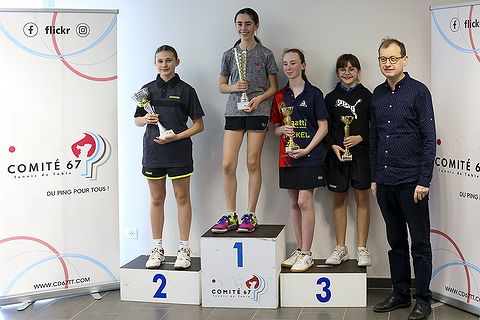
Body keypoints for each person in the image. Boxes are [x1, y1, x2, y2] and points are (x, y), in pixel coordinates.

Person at [370, 38, 436, 320]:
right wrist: (374, 178)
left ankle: (423, 299)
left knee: (419, 244)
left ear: (405, 60)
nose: (388, 64)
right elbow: (374, 138)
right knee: (395, 242)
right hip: (385, 182)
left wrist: (424, 180)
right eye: (383, 59)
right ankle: (399, 294)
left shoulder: (419, 92)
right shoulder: (377, 94)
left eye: (393, 59)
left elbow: (429, 139)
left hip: (412, 183)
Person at [134, 45, 205, 270]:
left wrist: (177, 137)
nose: (164, 65)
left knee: (182, 198)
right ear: (155, 63)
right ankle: (157, 248)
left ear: (177, 62)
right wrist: (146, 119)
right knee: (156, 199)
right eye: (160, 61)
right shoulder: (146, 90)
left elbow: (199, 126)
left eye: (168, 60)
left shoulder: (187, 90)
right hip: (153, 153)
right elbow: (136, 120)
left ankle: (184, 249)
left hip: (178, 152)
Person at [211, 8, 278, 233]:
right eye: (239, 24)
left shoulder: (266, 54)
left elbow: (274, 87)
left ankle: (250, 214)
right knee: (227, 164)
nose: (243, 28)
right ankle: (231, 214)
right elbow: (221, 86)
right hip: (234, 111)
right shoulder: (229, 54)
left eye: (248, 24)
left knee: (252, 162)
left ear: (256, 26)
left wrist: (259, 99)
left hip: (258, 111)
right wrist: (234, 87)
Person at [271, 49, 328, 272]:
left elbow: (323, 127)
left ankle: (307, 253)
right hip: (287, 157)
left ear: (303, 65)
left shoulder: (314, 94)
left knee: (305, 202)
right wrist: (281, 130)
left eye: (293, 63)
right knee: (294, 203)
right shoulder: (280, 96)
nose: (288, 67)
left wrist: (306, 150)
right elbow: (275, 129)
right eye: (285, 63)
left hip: (310, 156)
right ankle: (299, 249)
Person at [324, 54, 372, 267]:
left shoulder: (369, 96)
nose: (347, 72)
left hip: (361, 156)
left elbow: (376, 126)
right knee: (339, 200)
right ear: (337, 72)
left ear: (358, 71)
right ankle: (341, 248)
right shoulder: (330, 98)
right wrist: (333, 145)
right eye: (343, 69)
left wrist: (361, 137)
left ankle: (362, 249)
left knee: (363, 200)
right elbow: (325, 128)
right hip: (338, 157)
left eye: (352, 68)